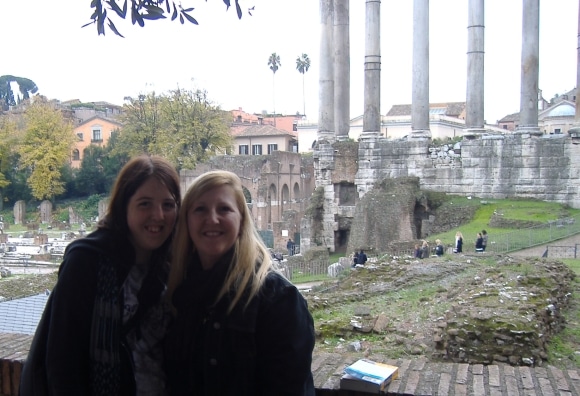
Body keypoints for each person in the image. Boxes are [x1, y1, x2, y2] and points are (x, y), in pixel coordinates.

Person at [20, 155, 181, 395]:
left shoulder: (175, 264)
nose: (158, 215)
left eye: (168, 205)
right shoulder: (87, 261)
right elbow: (62, 359)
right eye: (145, 204)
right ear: (123, 206)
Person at [164, 170, 315, 395]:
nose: (212, 219)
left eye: (224, 209)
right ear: (186, 220)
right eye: (200, 209)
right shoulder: (179, 290)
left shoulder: (278, 299)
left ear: (242, 218)